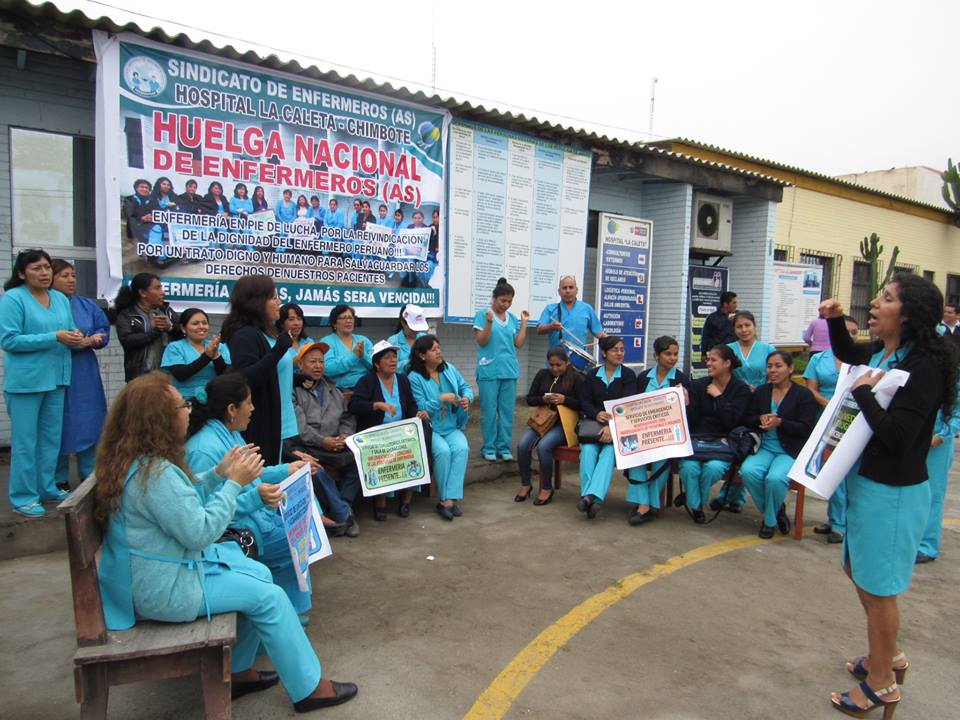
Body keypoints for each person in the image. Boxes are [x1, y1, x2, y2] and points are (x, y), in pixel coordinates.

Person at [93, 372, 357, 712]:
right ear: (159, 418)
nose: (189, 410)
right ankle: (309, 689)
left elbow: (185, 498)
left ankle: (239, 671)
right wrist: (232, 484)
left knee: (258, 576)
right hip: (163, 588)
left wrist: (218, 475)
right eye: (182, 404)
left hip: (158, 574)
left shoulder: (145, 464)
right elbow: (201, 532)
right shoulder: (155, 475)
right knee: (270, 596)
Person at [820, 275, 957, 717]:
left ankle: (881, 683)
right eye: (877, 295)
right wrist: (838, 321)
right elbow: (850, 355)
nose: (875, 303)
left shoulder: (925, 366)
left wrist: (862, 395)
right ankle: (888, 656)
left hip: (893, 494)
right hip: (869, 484)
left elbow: (899, 435)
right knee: (857, 571)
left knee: (879, 591)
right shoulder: (887, 352)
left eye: (886, 298)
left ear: (910, 313)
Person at [186, 373, 313, 616]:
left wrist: (286, 470)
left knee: (302, 522)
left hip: (250, 516)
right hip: (227, 531)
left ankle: (289, 606)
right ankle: (285, 611)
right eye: (249, 403)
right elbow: (205, 509)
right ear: (232, 409)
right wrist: (256, 498)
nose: (253, 409)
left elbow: (252, 474)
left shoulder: (229, 432)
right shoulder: (204, 449)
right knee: (295, 542)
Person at [0, 249, 79, 516]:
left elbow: (66, 330)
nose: (44, 273)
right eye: (37, 268)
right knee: (25, 442)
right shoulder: (13, 299)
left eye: (47, 267)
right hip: (26, 382)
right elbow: (9, 340)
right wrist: (54, 337)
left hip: (57, 378)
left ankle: (46, 487)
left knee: (50, 439)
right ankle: (23, 496)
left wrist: (74, 336)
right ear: (22, 273)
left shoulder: (59, 298)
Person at [739, 351, 817, 538]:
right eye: (769, 366)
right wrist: (760, 418)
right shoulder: (761, 392)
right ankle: (775, 510)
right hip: (765, 447)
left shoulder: (803, 395)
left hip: (788, 451)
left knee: (775, 479)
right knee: (748, 471)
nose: (773, 370)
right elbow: (747, 419)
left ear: (790, 369)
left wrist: (781, 422)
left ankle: (769, 522)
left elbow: (806, 428)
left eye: (778, 366)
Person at [349, 340, 429, 520]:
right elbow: (354, 405)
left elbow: (410, 404)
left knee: (414, 445)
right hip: (377, 433)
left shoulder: (402, 380)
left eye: (394, 357)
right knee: (382, 452)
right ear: (377, 364)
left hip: (400, 431)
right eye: (387, 358)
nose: (393, 361)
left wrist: (417, 414)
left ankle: (406, 501)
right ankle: (380, 503)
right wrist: (376, 405)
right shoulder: (367, 381)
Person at [289, 341, 361, 537]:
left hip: (336, 445)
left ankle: (342, 506)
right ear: (300, 365)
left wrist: (344, 436)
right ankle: (344, 515)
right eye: (312, 361)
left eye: (321, 361)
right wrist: (323, 441)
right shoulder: (294, 391)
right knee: (315, 470)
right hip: (309, 446)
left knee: (362, 459)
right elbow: (300, 428)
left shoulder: (334, 390)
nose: (318, 366)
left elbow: (347, 417)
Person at [50, 259, 109, 491]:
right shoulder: (45, 306)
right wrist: (76, 341)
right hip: (56, 370)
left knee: (90, 420)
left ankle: (89, 474)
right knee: (57, 423)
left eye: (73, 275)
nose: (71, 280)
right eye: (64, 275)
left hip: (84, 372)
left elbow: (102, 328)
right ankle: (57, 478)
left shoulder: (86, 305)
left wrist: (96, 339)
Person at [221, 275, 292, 466]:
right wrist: (279, 349)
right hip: (257, 423)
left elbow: (267, 369)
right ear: (257, 302)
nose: (279, 302)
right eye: (273, 297)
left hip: (274, 419)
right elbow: (246, 377)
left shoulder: (259, 332)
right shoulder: (244, 334)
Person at [804, 315, 860, 544]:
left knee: (851, 475)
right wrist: (828, 403)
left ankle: (844, 523)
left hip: (856, 420)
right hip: (826, 418)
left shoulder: (864, 360)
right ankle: (836, 520)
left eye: (855, 332)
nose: (850, 336)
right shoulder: (819, 359)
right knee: (830, 471)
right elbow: (811, 388)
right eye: (846, 331)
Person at [679, 345, 750, 523]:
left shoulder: (740, 389)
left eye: (713, 360)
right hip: (698, 440)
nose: (708, 363)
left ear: (727, 363)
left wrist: (719, 397)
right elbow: (692, 422)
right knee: (689, 468)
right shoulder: (699, 385)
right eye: (708, 359)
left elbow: (732, 421)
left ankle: (695, 501)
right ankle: (696, 507)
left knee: (714, 468)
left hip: (724, 442)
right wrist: (687, 403)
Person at [408, 335, 473, 520]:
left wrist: (468, 398)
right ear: (422, 355)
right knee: (443, 452)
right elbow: (420, 406)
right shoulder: (414, 377)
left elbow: (465, 387)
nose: (439, 352)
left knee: (462, 448)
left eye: (439, 347)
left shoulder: (449, 369)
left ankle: (448, 500)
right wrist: (440, 399)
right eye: (434, 349)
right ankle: (446, 499)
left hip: (451, 426)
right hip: (430, 428)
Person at [626, 336, 689, 525]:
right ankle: (646, 503)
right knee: (633, 456)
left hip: (668, 436)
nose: (672, 358)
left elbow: (687, 413)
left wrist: (684, 400)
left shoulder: (681, 379)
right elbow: (632, 407)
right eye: (668, 354)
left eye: (675, 354)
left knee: (662, 460)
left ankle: (643, 505)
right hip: (642, 433)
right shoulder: (644, 377)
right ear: (656, 355)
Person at [575, 336, 638, 519]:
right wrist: (596, 413)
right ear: (604, 353)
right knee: (587, 450)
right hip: (594, 426)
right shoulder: (592, 375)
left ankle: (589, 497)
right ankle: (593, 499)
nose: (620, 353)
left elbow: (628, 405)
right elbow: (584, 401)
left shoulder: (628, 375)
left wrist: (612, 426)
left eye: (622, 350)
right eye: (615, 350)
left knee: (609, 451)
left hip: (619, 428)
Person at [515, 346, 582, 506]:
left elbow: (582, 404)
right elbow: (529, 399)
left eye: (559, 365)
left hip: (563, 424)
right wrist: (543, 399)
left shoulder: (576, 377)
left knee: (544, 446)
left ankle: (546, 488)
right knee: (522, 445)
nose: (554, 369)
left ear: (566, 363)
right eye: (551, 365)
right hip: (543, 421)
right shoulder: (542, 375)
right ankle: (526, 483)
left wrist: (564, 400)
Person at [474, 278, 530, 461]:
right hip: (489, 371)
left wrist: (524, 324)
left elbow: (519, 344)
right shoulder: (483, 315)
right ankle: (488, 447)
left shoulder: (512, 319)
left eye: (509, 301)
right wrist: (489, 323)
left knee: (507, 412)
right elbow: (482, 341)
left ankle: (503, 447)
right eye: (502, 301)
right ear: (494, 298)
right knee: (489, 411)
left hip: (509, 371)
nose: (505, 305)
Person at [916, 381, 960, 563]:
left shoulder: (952, 376)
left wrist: (939, 437)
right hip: (913, 437)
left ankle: (927, 546)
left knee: (931, 493)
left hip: (936, 444)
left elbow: (956, 415)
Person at [113, 272, 180, 382]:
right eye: (157, 288)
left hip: (167, 376)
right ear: (143, 293)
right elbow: (127, 341)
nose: (162, 293)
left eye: (161, 288)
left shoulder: (166, 311)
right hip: (139, 376)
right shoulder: (127, 315)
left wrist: (170, 327)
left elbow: (184, 332)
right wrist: (154, 331)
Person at [161, 308, 231, 400]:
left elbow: (226, 375)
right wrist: (207, 356)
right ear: (183, 328)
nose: (201, 326)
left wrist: (216, 356)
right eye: (195, 323)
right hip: (184, 402)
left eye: (204, 323)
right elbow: (180, 375)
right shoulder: (174, 347)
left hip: (214, 401)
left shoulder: (219, 347)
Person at [537, 275, 605, 359]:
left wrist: (611, 340)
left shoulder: (587, 309)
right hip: (555, 362)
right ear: (559, 291)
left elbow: (599, 333)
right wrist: (550, 327)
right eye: (564, 288)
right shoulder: (550, 308)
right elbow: (539, 329)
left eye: (571, 287)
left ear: (577, 290)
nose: (568, 291)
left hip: (578, 362)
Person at [323, 304, 373, 393]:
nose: (348, 321)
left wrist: (363, 356)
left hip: (366, 387)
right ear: (334, 323)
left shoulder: (364, 340)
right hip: (338, 391)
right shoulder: (326, 342)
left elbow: (376, 365)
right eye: (343, 318)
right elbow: (328, 369)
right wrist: (354, 356)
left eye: (351, 317)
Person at [727, 311, 776, 389]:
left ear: (755, 326)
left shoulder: (768, 349)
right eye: (739, 326)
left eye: (747, 325)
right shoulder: (728, 349)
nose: (744, 330)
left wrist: (762, 391)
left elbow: (775, 374)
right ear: (734, 329)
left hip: (762, 395)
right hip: (736, 395)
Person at [385, 303, 429, 373]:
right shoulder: (393, 341)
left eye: (419, 328)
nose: (416, 331)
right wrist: (410, 363)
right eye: (413, 328)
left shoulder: (424, 338)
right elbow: (387, 366)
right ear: (403, 323)